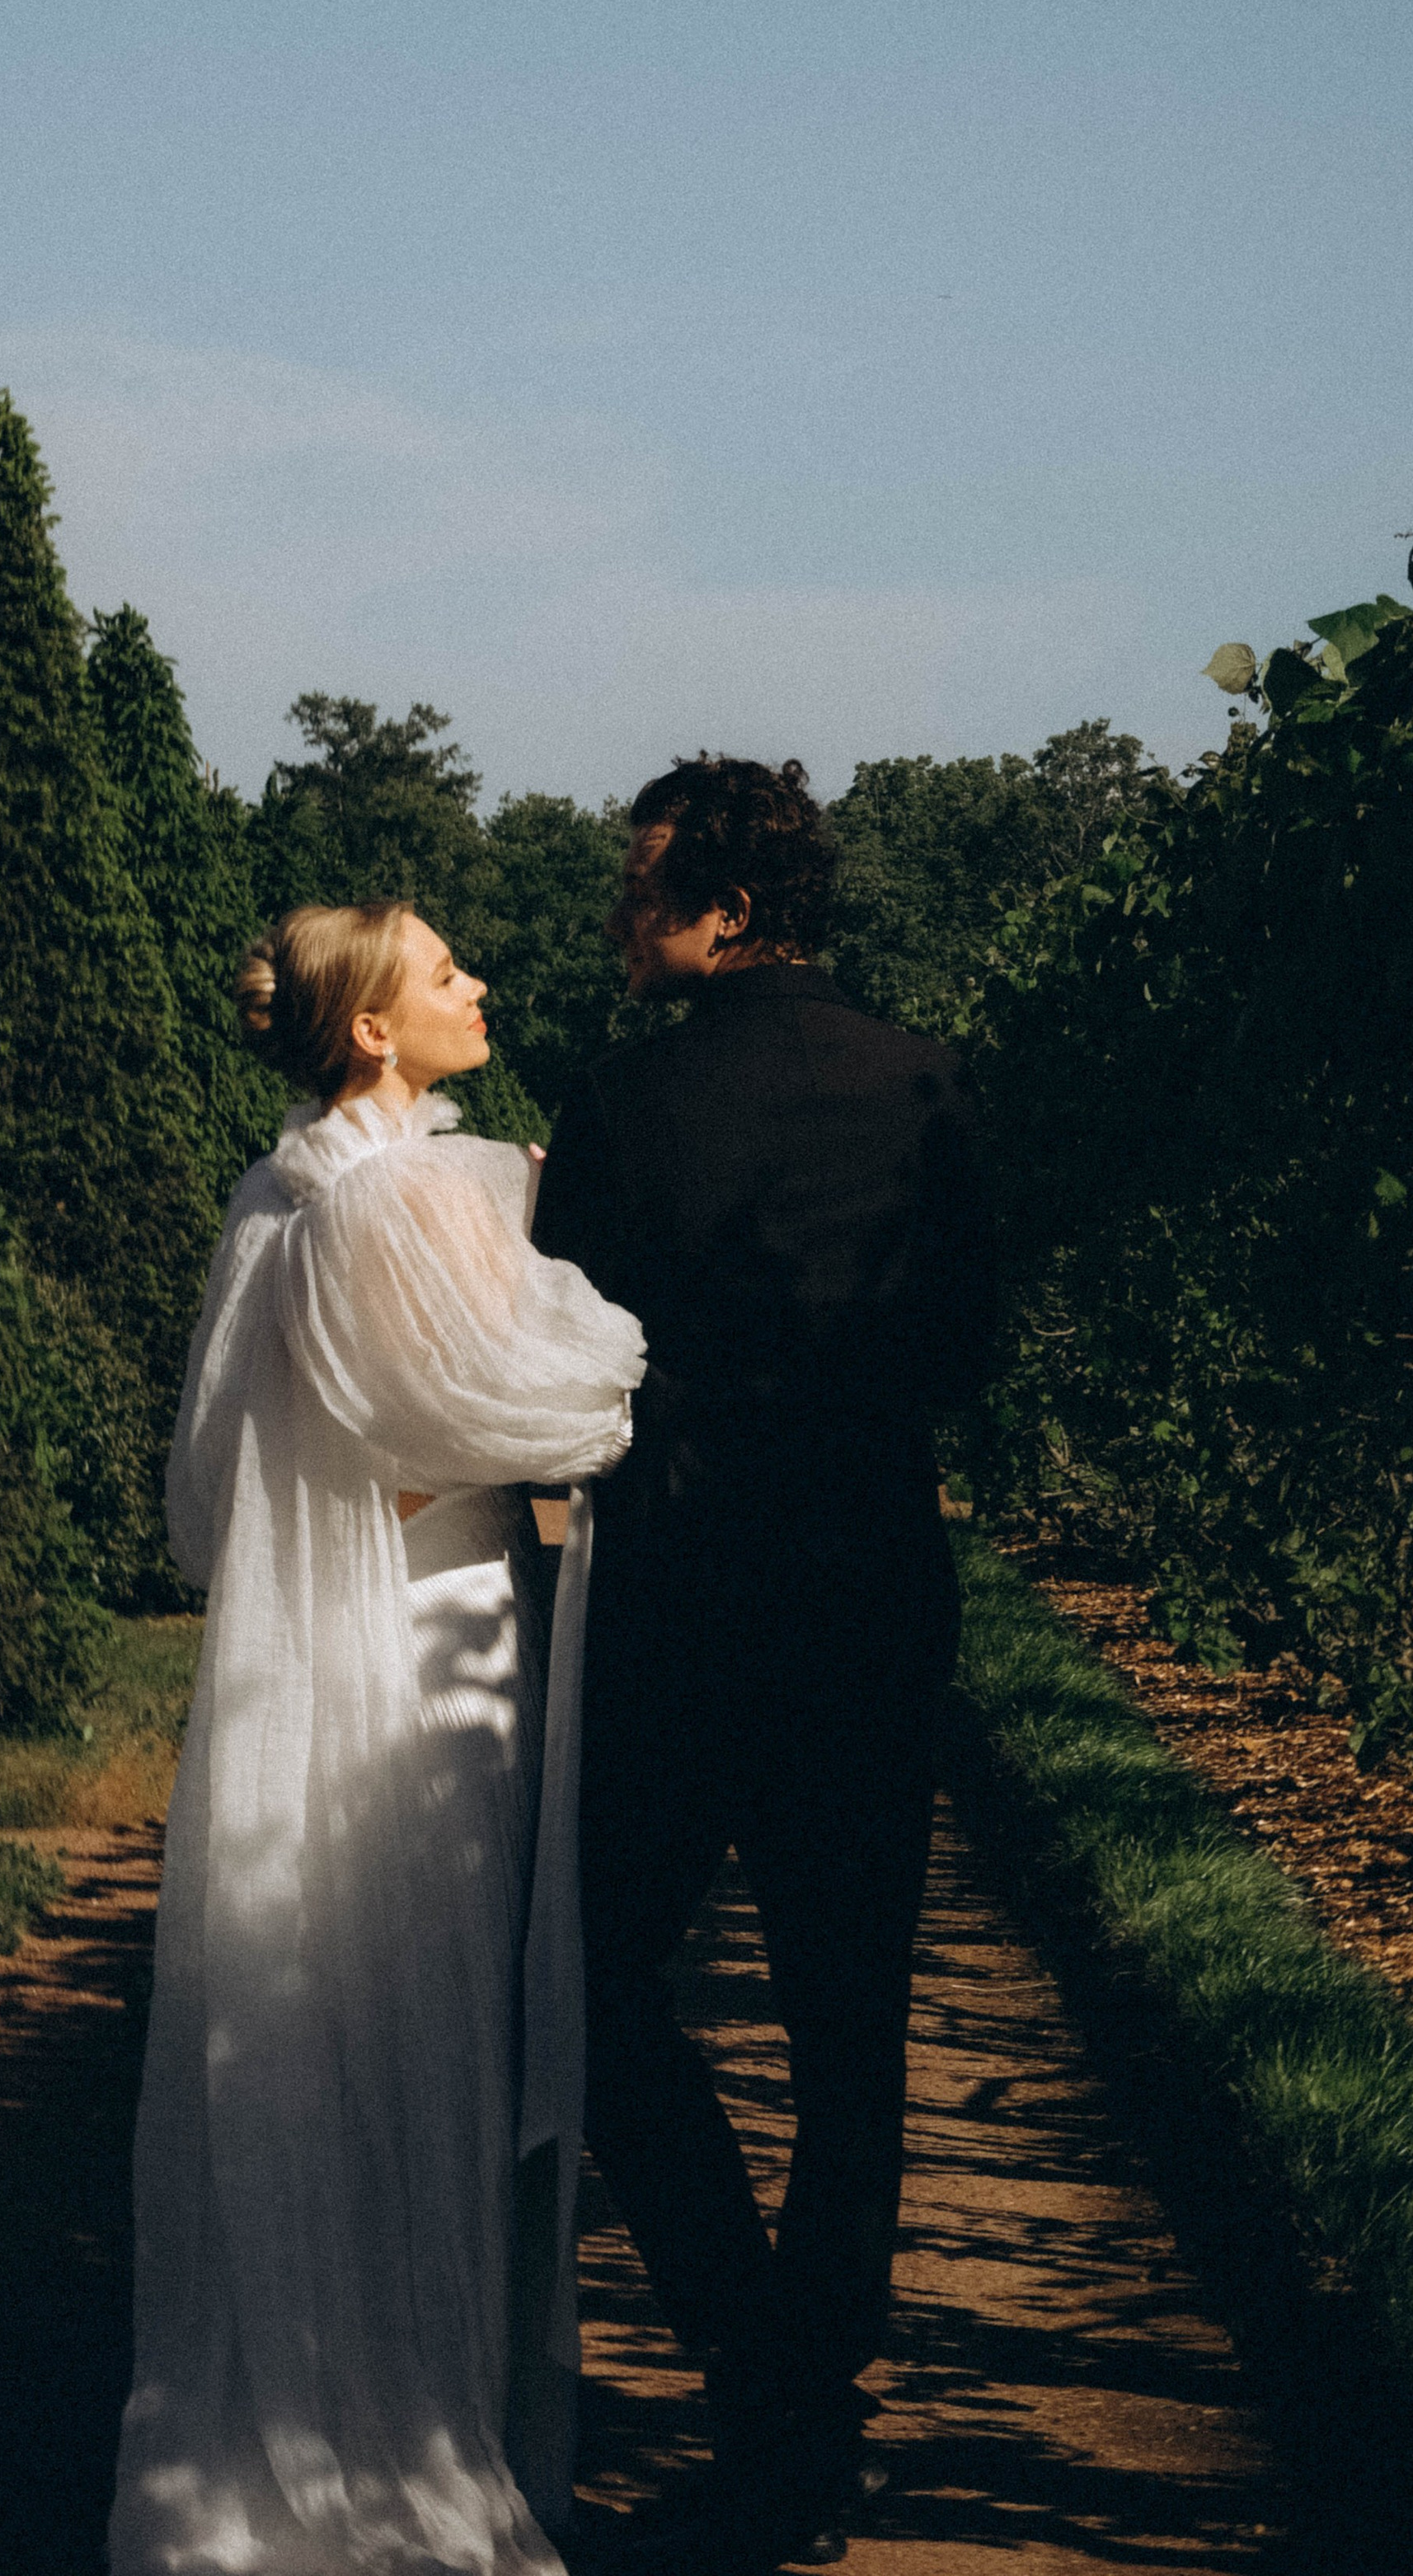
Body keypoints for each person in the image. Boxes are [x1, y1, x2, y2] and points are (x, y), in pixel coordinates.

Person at [109, 899, 645, 2576]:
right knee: (429, 2011)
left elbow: (211, 1494)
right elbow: (524, 1417)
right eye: (441, 974)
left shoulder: (278, 1196)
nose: (476, 984)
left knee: (323, 1999)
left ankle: (324, 2367)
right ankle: (414, 2416)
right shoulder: (398, 1200)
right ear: (369, 1031)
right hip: (434, 1639)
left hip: (325, 1645)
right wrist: (615, 1351)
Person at [531, 756, 997, 2570]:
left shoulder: (628, 1102)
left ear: (727, 905)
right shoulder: (926, 1080)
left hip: (684, 1595)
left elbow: (563, 1350)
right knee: (847, 2025)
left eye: (638, 884)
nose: (616, 917)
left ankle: (750, 2362)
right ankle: (816, 2385)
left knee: (596, 1982)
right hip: (868, 1592)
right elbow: (962, 1344)